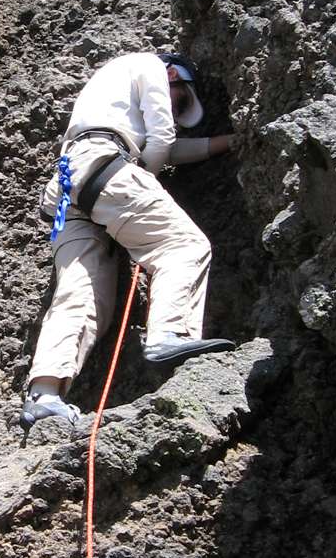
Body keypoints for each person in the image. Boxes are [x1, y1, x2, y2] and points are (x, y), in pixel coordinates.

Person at [22, 50, 233, 428]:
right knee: (183, 245)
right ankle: (170, 332)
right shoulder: (149, 65)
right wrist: (142, 181)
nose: (176, 109)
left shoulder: (110, 99)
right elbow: (163, 137)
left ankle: (44, 394)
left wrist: (228, 142)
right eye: (179, 100)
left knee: (81, 293)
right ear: (173, 75)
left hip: (67, 189)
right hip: (106, 165)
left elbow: (167, 149)